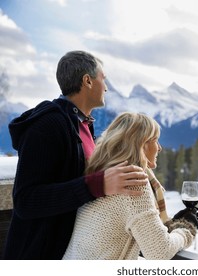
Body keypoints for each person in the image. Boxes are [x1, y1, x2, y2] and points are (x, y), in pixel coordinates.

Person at [3, 50, 148, 260]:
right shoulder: (47, 126)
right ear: (87, 81)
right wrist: (96, 185)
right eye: (103, 80)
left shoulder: (82, 126)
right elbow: (26, 201)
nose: (106, 87)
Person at [63, 112, 198, 260]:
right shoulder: (132, 182)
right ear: (141, 144)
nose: (159, 148)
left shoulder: (101, 175)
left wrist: (170, 225)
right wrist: (186, 229)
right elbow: (160, 252)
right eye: (155, 140)